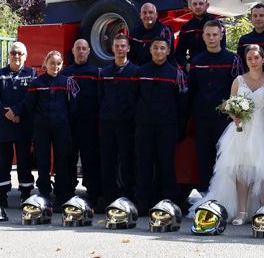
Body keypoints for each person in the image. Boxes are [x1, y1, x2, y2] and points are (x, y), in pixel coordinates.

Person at [203, 44, 264, 225]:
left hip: (262, 130)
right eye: (250, 58)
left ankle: (263, 209)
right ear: (245, 61)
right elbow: (231, 105)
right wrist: (236, 116)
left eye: (256, 58)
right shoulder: (238, 81)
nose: (253, 61)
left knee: (263, 170)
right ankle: (241, 212)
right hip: (241, 130)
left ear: (263, 59)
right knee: (241, 171)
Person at [132, 37, 188, 210]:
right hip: (144, 126)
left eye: (162, 48)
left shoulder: (175, 73)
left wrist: (180, 127)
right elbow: (133, 98)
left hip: (167, 126)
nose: (158, 51)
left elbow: (182, 104)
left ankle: (168, 202)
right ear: (150, 50)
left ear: (168, 51)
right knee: (144, 164)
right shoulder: (140, 72)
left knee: (166, 164)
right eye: (155, 48)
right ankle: (143, 202)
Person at [189, 20, 242, 195]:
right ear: (203, 37)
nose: (211, 38)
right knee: (204, 158)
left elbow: (239, 90)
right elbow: (191, 91)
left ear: (221, 36)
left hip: (224, 120)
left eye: (215, 35)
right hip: (202, 118)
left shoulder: (232, 59)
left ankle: (225, 195)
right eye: (208, 35)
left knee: (224, 158)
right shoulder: (196, 61)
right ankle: (206, 195)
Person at [24, 51, 76, 207]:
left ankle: (61, 195)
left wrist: (68, 125)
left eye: (58, 64)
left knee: (62, 161)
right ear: (45, 63)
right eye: (52, 63)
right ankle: (44, 193)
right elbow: (29, 107)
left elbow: (72, 107)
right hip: (42, 129)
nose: (55, 66)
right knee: (43, 162)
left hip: (61, 128)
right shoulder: (37, 83)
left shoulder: (67, 82)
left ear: (62, 65)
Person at [0, 41, 36, 207]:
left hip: (23, 125)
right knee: (4, 162)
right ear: (9, 54)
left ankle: (25, 193)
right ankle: (2, 195)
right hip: (4, 126)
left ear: (26, 56)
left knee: (24, 161)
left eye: (20, 53)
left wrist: (16, 111)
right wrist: (8, 113)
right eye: (13, 53)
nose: (16, 56)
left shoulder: (32, 74)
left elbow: (32, 98)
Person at [61, 39, 102, 207]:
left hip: (89, 124)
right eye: (78, 48)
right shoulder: (64, 73)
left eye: (84, 48)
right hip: (69, 124)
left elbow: (101, 98)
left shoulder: (96, 73)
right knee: (68, 160)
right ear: (73, 50)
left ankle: (93, 195)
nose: (81, 51)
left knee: (90, 160)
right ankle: (66, 194)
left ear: (89, 51)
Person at [99, 34, 139, 203]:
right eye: (117, 46)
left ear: (128, 48)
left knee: (127, 161)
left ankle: (127, 196)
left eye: (123, 46)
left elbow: (138, 98)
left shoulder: (136, 72)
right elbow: (100, 96)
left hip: (127, 124)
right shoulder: (105, 72)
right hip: (108, 123)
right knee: (107, 160)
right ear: (112, 48)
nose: (120, 49)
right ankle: (108, 196)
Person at [175, 0, 226, 72]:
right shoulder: (186, 28)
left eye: (201, 3)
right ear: (190, 7)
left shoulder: (218, 25)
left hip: (214, 68)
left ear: (207, 5)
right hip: (195, 70)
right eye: (195, 4)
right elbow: (179, 52)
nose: (198, 6)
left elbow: (222, 49)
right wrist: (185, 65)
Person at [237, 4, 264, 72]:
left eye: (261, 15)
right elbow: (241, 64)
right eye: (255, 16)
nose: (258, 18)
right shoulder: (244, 40)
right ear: (251, 18)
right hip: (250, 79)